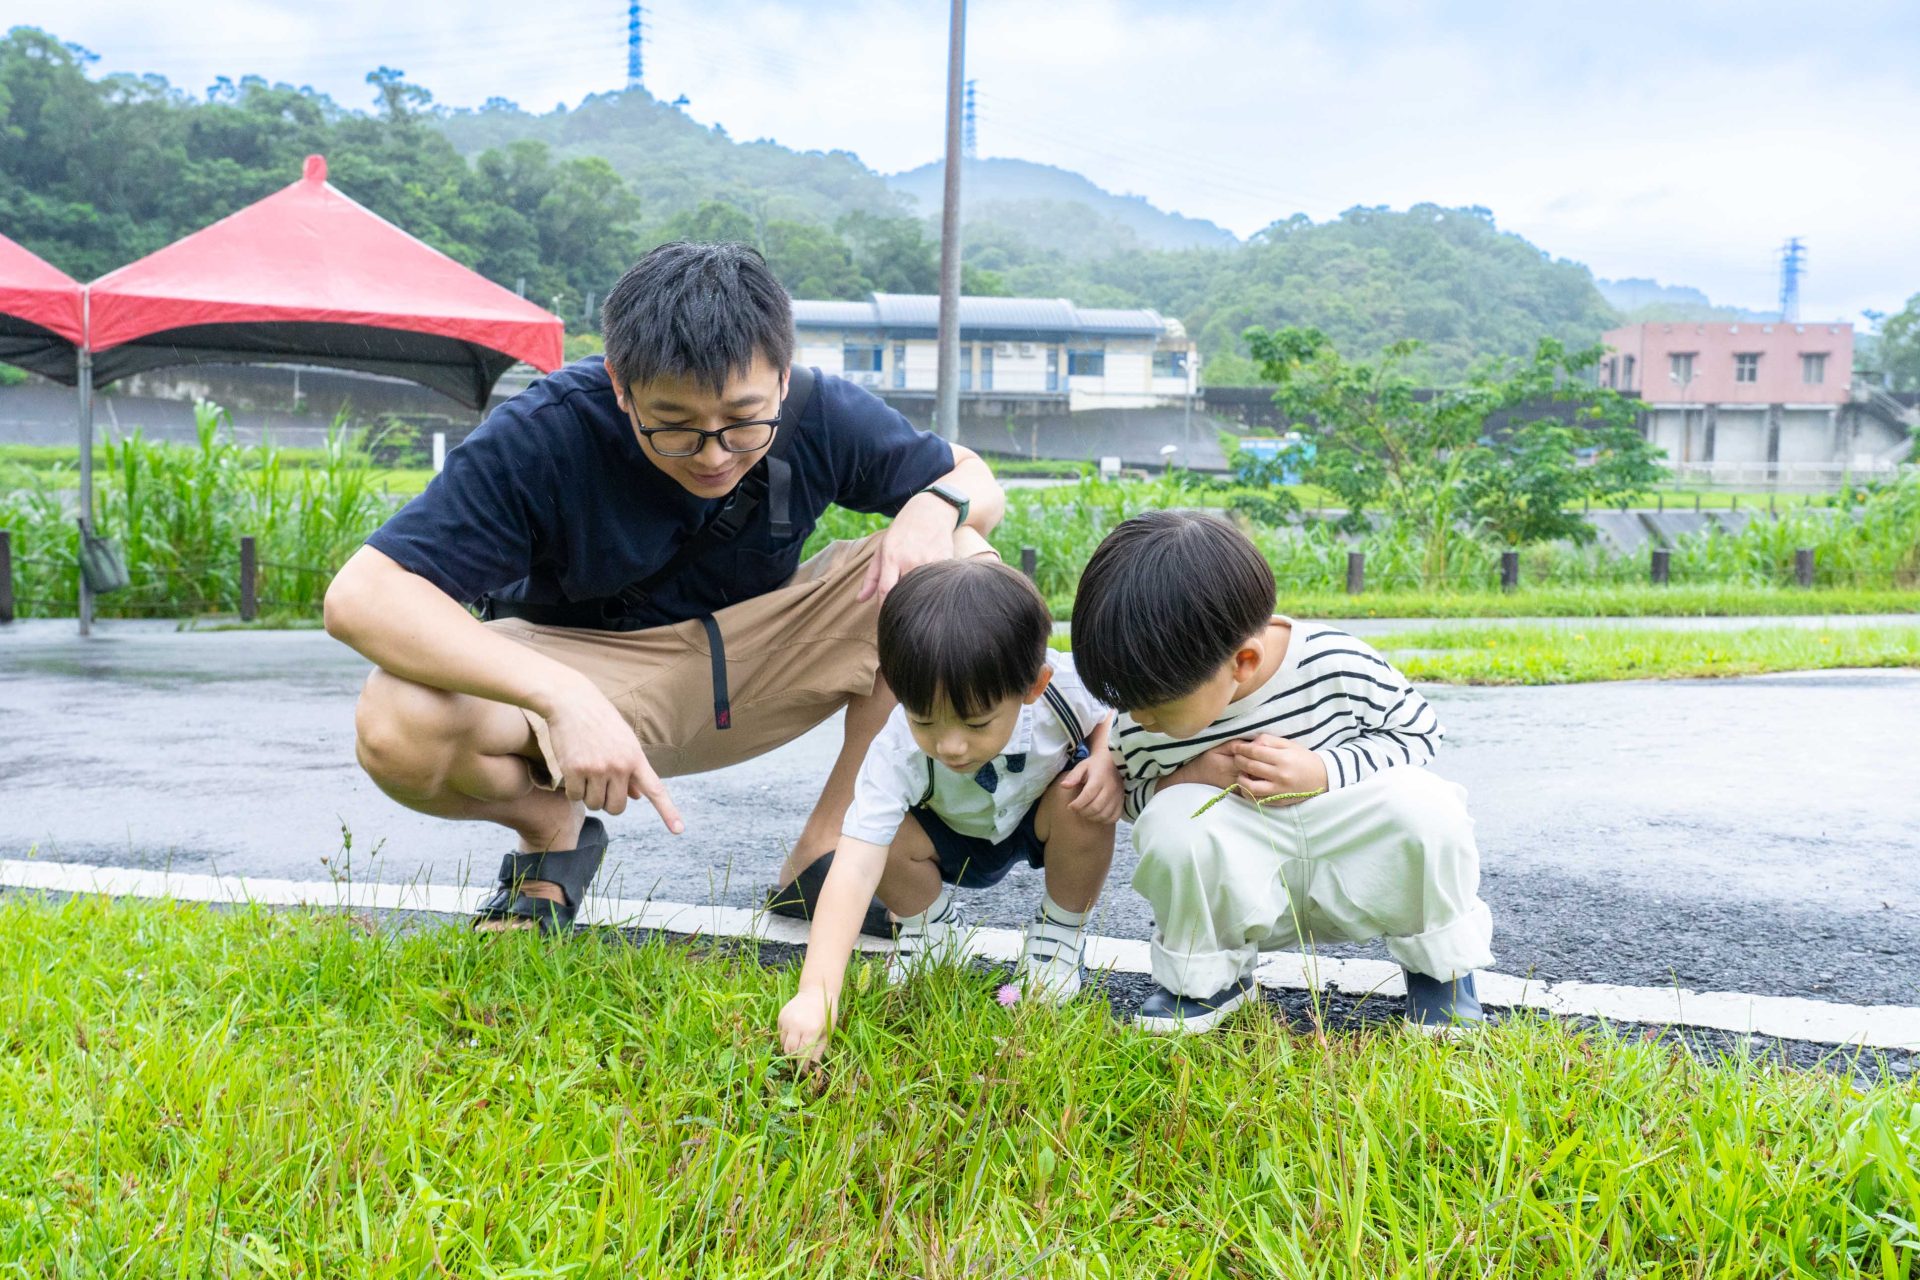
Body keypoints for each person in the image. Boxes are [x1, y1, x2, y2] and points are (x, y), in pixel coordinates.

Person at [323, 242, 1004, 934]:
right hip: (582, 666)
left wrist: (935, 502)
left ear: (782, 376)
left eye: (744, 421)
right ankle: (550, 829)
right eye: (675, 427)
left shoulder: (821, 411)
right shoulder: (545, 434)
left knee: (962, 557)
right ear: (621, 386)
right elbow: (362, 596)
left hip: (759, 658)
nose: (714, 455)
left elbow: (975, 479)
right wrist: (561, 696)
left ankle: (824, 849)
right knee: (396, 722)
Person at [1069, 511, 1494, 1034]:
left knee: (1429, 808)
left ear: (1242, 662)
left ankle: (1442, 972)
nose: (1138, 718)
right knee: (1171, 824)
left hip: (1349, 846)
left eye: (1153, 703)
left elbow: (1418, 733)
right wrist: (1189, 776)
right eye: (1127, 703)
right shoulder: (1146, 719)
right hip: (1252, 867)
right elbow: (1138, 800)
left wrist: (1325, 769)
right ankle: (1208, 979)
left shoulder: (1335, 663)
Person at [778, 558, 1121, 1063]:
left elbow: (1111, 710)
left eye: (978, 723)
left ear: (1034, 685)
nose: (952, 746)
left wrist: (1107, 759)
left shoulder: (1065, 691)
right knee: (878, 835)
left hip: (1038, 818)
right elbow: (852, 866)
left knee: (1085, 797)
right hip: (947, 839)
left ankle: (1059, 935)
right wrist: (817, 992)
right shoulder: (896, 749)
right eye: (924, 721)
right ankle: (929, 928)